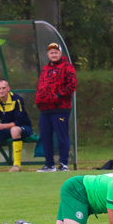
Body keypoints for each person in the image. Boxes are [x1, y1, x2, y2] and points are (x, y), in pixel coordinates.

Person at [34, 42, 76, 172]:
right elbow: (41, 86)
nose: (53, 55)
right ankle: (49, 164)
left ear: (60, 53)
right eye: (51, 52)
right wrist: (38, 99)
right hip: (45, 110)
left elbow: (72, 85)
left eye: (56, 52)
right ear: (48, 54)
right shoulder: (45, 69)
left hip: (60, 109)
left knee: (62, 136)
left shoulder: (67, 67)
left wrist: (58, 96)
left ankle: (64, 163)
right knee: (45, 137)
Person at [0, 79, 34, 172]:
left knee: (15, 130)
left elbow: (20, 121)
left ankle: (17, 165)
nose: (1, 90)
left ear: (8, 89)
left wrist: (2, 126)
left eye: (4, 88)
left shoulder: (17, 99)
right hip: (6, 130)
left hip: (23, 128)